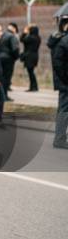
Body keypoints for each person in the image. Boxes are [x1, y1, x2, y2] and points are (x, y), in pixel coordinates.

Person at [47, 11, 68, 149]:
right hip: (65, 81)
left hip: (62, 80)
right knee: (64, 110)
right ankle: (59, 139)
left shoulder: (58, 38)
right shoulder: (64, 40)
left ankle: (60, 138)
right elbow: (58, 63)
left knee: (63, 109)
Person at [0, 23, 20, 100]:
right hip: (8, 59)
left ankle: (1, 95)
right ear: (14, 29)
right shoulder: (12, 36)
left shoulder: (2, 35)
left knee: (2, 77)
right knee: (7, 78)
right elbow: (15, 49)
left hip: (0, 58)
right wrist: (16, 57)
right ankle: (5, 96)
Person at [20, 24, 41, 92]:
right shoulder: (38, 37)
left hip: (29, 57)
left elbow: (22, 39)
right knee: (31, 72)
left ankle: (33, 87)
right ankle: (34, 86)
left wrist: (24, 32)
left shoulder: (31, 38)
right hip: (34, 56)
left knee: (30, 72)